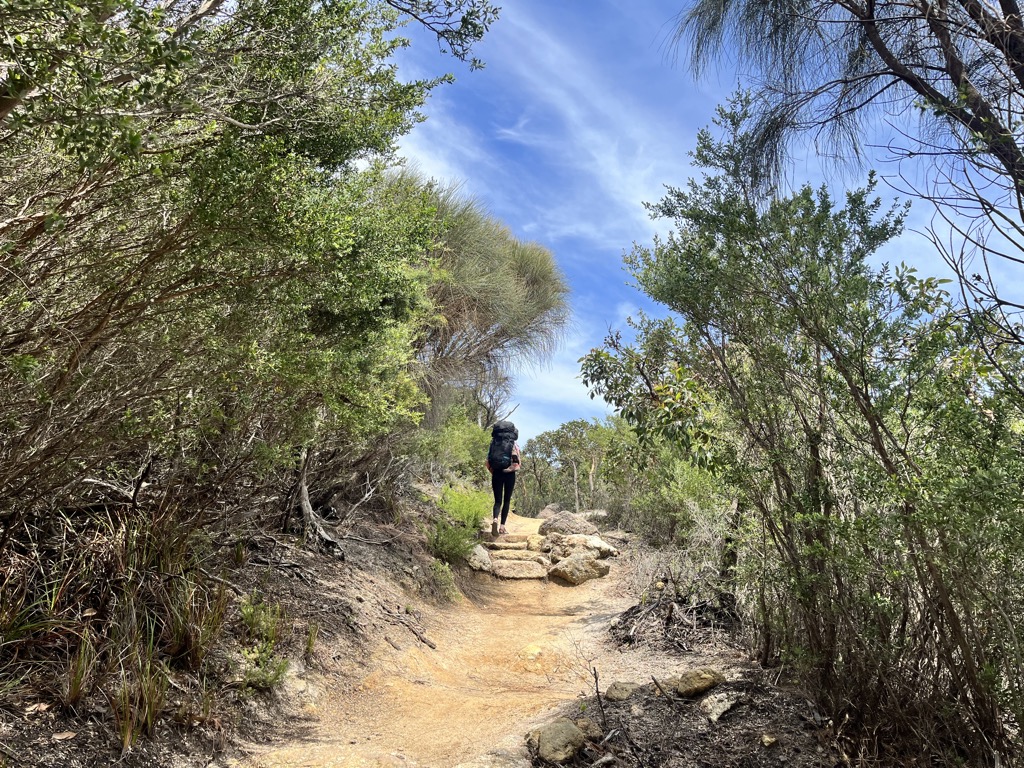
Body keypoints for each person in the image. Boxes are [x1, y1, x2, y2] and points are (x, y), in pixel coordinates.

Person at [485, 421, 521, 535]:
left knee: (497, 501)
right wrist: (510, 469)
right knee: (506, 500)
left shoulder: (493, 443)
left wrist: (495, 472)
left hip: (496, 472)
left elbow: (487, 462)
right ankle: (502, 527)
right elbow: (518, 464)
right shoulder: (514, 445)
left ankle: (495, 519)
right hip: (510, 474)